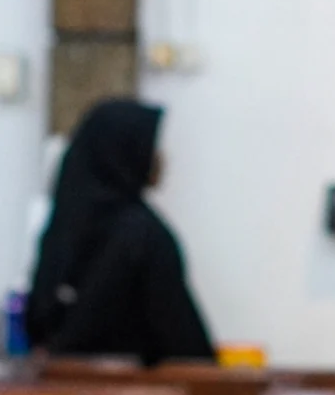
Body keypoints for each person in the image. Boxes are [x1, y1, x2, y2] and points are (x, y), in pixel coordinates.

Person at [27, 97, 214, 363]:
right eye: (151, 146)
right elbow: (185, 344)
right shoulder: (144, 235)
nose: (161, 158)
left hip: (61, 394)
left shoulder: (62, 227)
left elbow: (37, 324)